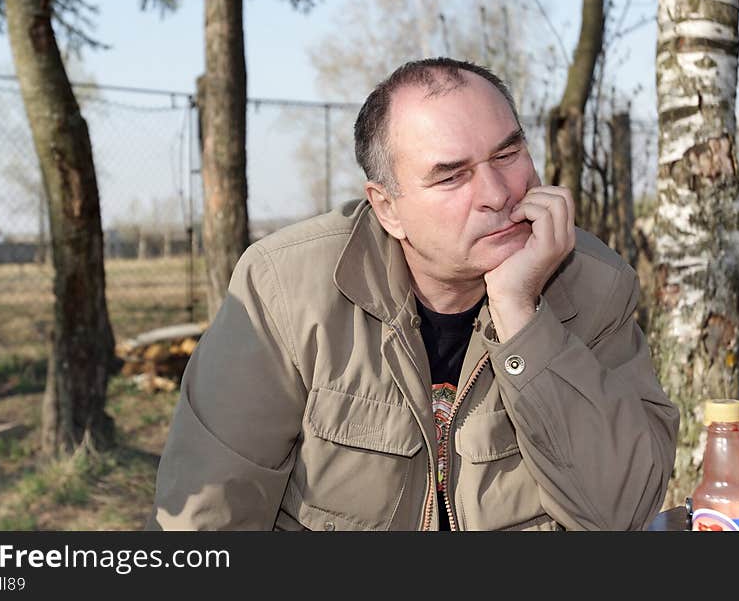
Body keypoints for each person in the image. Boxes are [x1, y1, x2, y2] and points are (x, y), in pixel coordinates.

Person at [147, 57, 680, 531]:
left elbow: (624, 512)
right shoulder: (287, 291)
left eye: (508, 153)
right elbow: (206, 523)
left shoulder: (592, 285)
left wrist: (523, 318)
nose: (497, 194)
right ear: (387, 208)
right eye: (452, 177)